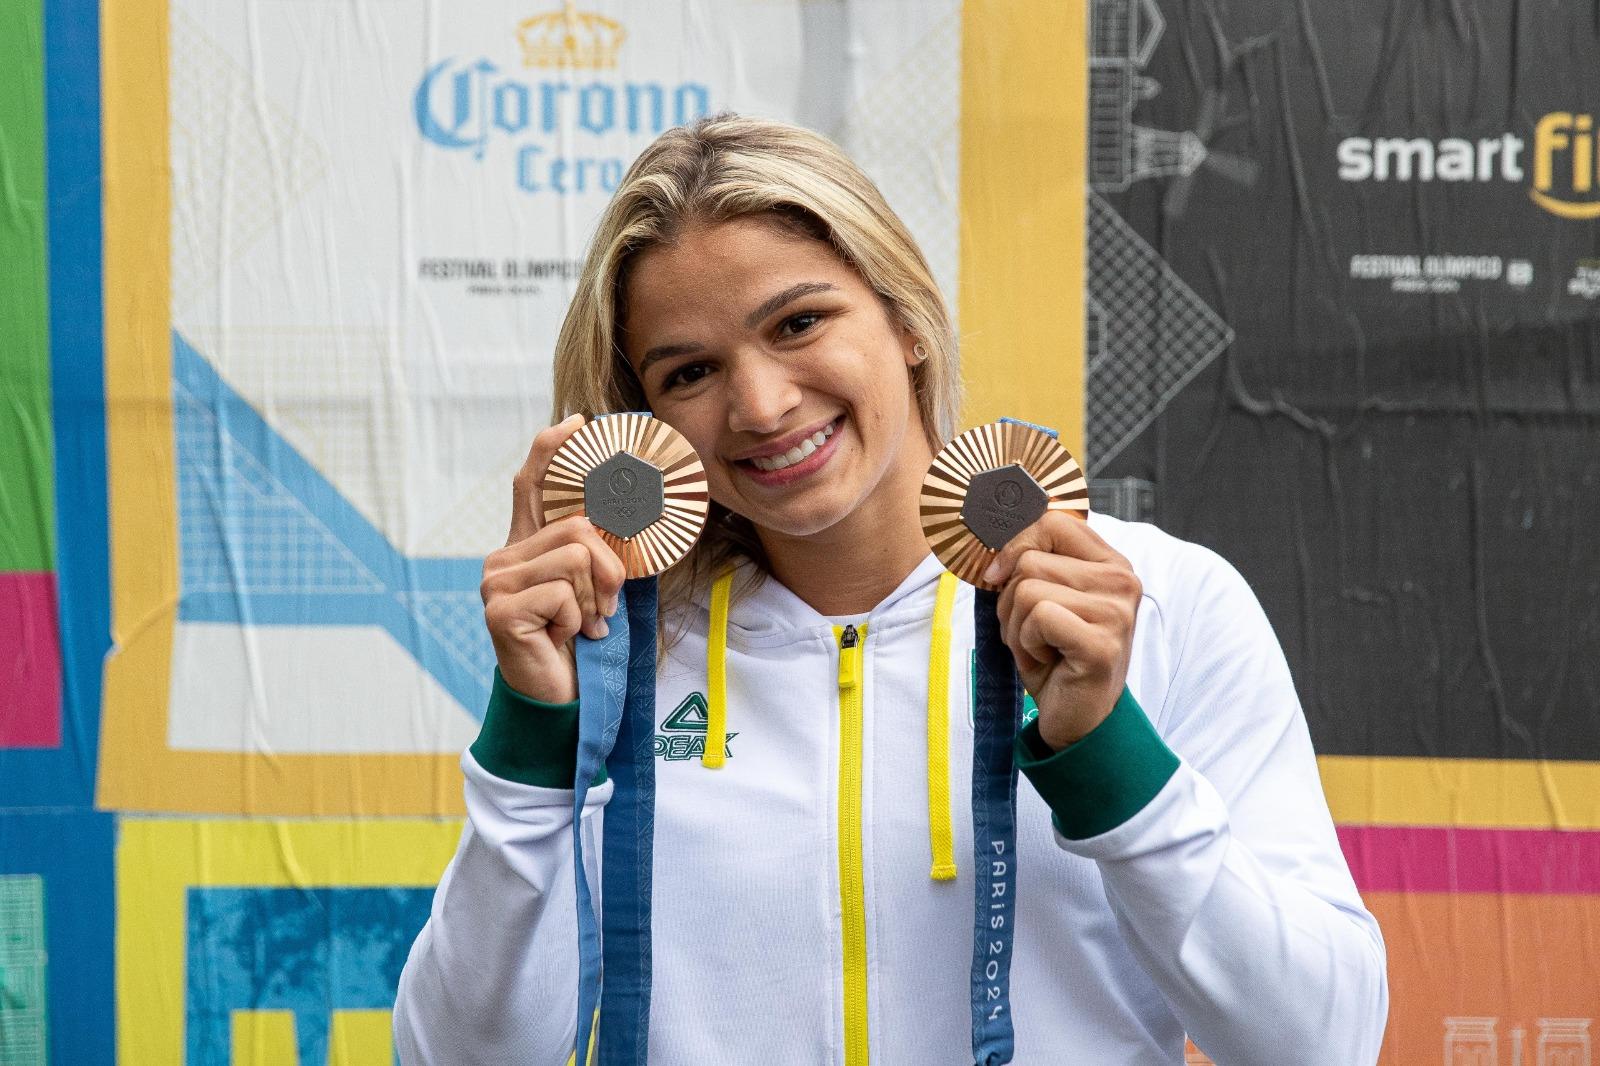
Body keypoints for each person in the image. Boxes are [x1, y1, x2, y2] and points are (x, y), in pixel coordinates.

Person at [393, 113, 1388, 1065]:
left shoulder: (1155, 601)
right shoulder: (617, 649)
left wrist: (1104, 753)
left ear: (904, 319)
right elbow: (456, 1058)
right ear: (643, 420)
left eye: (798, 321)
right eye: (689, 371)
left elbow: (1319, 1042)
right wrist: (530, 740)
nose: (761, 404)